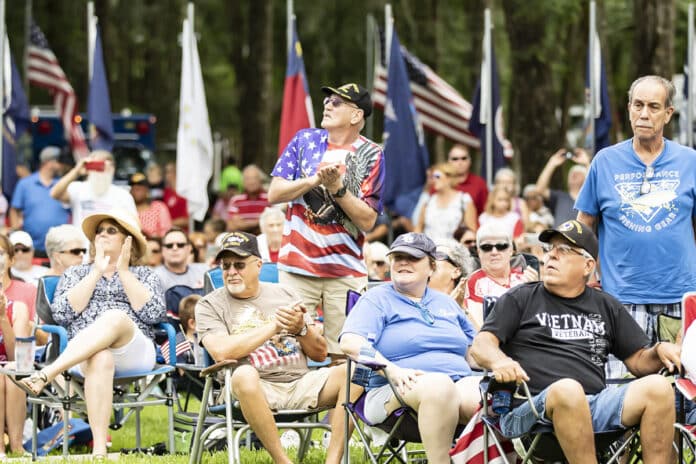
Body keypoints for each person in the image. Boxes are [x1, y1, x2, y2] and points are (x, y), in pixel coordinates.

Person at [470, 220, 680, 463]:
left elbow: (638, 361)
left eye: (564, 251)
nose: (551, 257)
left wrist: (660, 349)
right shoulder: (521, 297)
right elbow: (482, 343)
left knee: (658, 388)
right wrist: (499, 361)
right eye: (549, 250)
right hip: (532, 412)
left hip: (593, 407)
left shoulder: (605, 305)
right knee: (568, 388)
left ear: (588, 265)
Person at [195, 232, 359, 464]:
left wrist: (302, 329)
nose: (231, 272)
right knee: (244, 374)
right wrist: (274, 326)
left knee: (354, 372)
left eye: (239, 265)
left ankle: (333, 461)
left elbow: (320, 353)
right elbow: (221, 352)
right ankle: (283, 461)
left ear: (258, 265)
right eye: (226, 265)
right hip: (252, 388)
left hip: (299, 383)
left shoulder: (286, 294)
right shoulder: (210, 304)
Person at [17, 209, 165, 459]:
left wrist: (125, 272)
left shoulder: (145, 274)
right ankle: (98, 449)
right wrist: (96, 271)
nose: (103, 235)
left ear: (127, 240)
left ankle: (47, 373)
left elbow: (154, 315)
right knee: (101, 357)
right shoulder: (76, 273)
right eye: (99, 231)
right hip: (85, 355)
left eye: (111, 230)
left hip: (133, 352)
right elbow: (62, 314)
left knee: (115, 317)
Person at [575, 75, 696, 377]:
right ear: (628, 108)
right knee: (622, 390)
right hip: (621, 300)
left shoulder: (690, 161)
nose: (644, 114)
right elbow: (583, 226)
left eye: (654, 106)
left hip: (681, 298)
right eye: (638, 105)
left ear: (669, 113)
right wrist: (582, 278)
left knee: (683, 389)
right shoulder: (604, 161)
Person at [340, 233, 480, 464]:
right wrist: (391, 369)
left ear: (431, 267)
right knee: (439, 385)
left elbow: (475, 355)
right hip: (394, 390)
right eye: (398, 257)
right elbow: (350, 342)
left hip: (458, 381)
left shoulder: (446, 303)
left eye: (413, 257)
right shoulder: (377, 299)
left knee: (489, 395)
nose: (403, 262)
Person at [268, 82, 384, 358]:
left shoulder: (372, 154)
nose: (327, 105)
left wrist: (337, 189)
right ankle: (289, 402)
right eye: (327, 101)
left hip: (345, 270)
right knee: (287, 348)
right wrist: (315, 180)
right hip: (297, 267)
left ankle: (338, 404)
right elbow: (274, 193)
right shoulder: (304, 140)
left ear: (356, 115)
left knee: (345, 354)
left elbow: (368, 220)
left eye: (336, 102)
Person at [465, 223, 538, 328]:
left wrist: (534, 292)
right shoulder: (474, 282)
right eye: (487, 247)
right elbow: (479, 327)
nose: (494, 252)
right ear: (479, 252)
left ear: (511, 250)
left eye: (501, 246)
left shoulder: (527, 278)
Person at [0, 243, 31, 457]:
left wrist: (3, 318)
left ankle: (17, 447)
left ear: (10, 261)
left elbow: (22, 358)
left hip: (12, 367)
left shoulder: (19, 307)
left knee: (12, 373)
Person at [49, 150, 137, 227]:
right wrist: (76, 171)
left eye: (104, 164)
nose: (101, 169)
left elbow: (134, 224)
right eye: (96, 164)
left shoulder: (123, 195)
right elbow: (54, 193)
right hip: (82, 245)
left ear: (113, 168)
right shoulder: (78, 188)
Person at [9, 146, 69, 256]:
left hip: (60, 248)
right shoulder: (25, 184)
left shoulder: (63, 185)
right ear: (49, 162)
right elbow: (14, 210)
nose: (63, 165)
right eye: (60, 161)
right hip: (31, 249)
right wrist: (17, 236)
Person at [415, 163, 477, 241]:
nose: (434, 180)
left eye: (437, 176)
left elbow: (471, 230)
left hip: (455, 250)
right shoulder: (428, 202)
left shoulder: (464, 200)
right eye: (432, 177)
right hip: (430, 250)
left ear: (449, 178)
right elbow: (418, 229)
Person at [536, 148, 591, 227]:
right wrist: (552, 163)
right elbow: (539, 189)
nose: (573, 175)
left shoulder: (589, 199)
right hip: (558, 238)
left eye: (578, 173)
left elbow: (598, 188)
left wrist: (587, 163)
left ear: (586, 179)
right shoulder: (560, 197)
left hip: (581, 239)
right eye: (571, 173)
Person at [429, 239, 475, 323]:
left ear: (456, 271)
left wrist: (460, 308)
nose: (429, 259)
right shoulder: (414, 302)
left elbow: (479, 335)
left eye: (437, 255)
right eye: (428, 255)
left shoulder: (471, 306)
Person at [154, 228, 208, 292]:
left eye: (180, 245)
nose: (175, 248)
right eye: (169, 245)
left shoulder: (204, 271)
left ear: (189, 248)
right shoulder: (154, 277)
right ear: (162, 250)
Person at [226, 165, 270, 235]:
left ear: (260, 180)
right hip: (241, 241)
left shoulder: (270, 198)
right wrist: (259, 222)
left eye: (254, 178)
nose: (251, 182)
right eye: (248, 179)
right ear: (243, 182)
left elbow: (272, 224)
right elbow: (232, 226)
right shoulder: (235, 200)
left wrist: (243, 224)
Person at [447, 144, 488, 216]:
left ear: (470, 161)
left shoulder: (479, 183)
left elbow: (485, 213)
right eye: (455, 159)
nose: (460, 162)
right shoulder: (441, 182)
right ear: (448, 161)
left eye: (464, 158)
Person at [130, 172, 172, 238]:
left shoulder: (159, 207)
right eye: (134, 188)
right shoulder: (127, 210)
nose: (136, 190)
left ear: (147, 190)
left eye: (139, 189)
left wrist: (149, 236)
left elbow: (167, 234)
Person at [163, 162, 189, 231]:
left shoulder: (184, 193)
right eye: (166, 172)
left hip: (182, 232)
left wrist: (166, 223)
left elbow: (187, 220)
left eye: (169, 172)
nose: (166, 175)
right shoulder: (166, 192)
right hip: (168, 231)